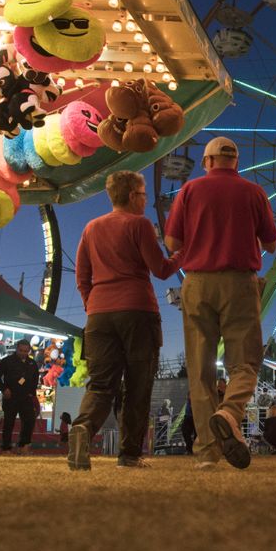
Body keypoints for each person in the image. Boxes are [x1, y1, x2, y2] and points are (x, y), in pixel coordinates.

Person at [165, 136, 276, 471]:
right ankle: (229, 412)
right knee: (244, 363)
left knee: (200, 372)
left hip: (197, 282)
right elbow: (271, 245)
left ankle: (207, 454)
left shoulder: (189, 191)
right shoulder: (254, 192)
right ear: (236, 162)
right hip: (240, 282)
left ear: (207, 161)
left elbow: (172, 241)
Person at [70, 171, 180, 471]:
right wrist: (181, 257)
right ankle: (129, 454)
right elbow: (160, 269)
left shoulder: (91, 228)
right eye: (144, 194)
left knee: (101, 384)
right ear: (132, 195)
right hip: (137, 311)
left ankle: (82, 428)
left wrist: (93, 305)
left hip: (99, 315)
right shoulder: (140, 224)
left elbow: (82, 276)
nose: (146, 200)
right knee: (137, 385)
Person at [0, 339, 39, 454]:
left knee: (29, 421)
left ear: (29, 351)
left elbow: (35, 379)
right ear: (17, 348)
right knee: (9, 423)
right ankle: (6, 448)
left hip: (26, 398)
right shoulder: (7, 361)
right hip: (11, 397)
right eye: (21, 350)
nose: (23, 353)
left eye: (26, 351)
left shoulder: (32, 364)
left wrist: (32, 393)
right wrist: (4, 389)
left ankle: (24, 445)